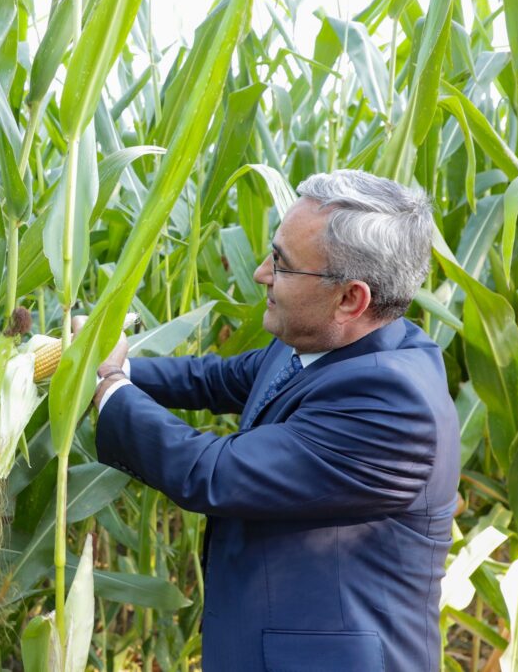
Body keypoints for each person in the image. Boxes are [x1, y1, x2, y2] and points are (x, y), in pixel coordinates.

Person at [89, 169, 460, 672]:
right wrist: (105, 361)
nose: (261, 272)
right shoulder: (324, 342)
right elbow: (216, 379)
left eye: (282, 265)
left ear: (351, 299)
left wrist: (108, 386)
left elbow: (211, 473)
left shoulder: (393, 403)